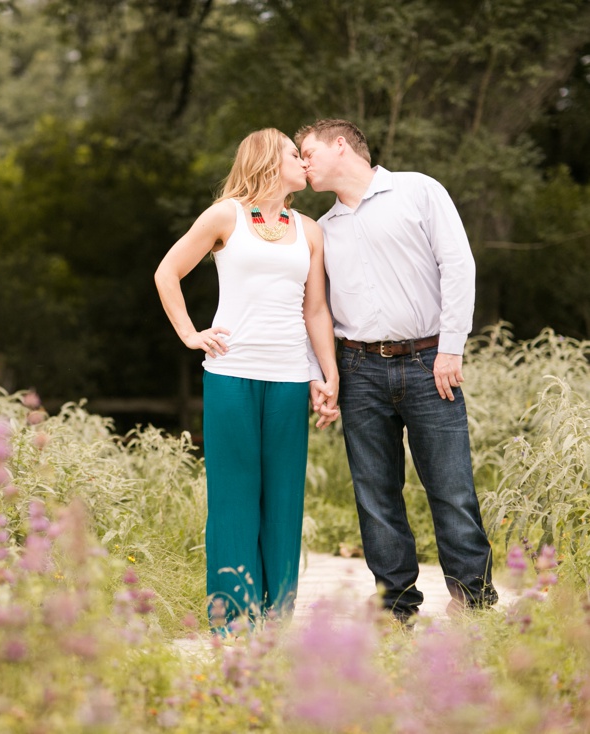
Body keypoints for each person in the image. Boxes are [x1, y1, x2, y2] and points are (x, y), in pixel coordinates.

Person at [295, 118, 498, 623]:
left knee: (451, 486)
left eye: (308, 152)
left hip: (432, 362)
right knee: (374, 492)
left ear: (341, 145)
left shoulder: (418, 190)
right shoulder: (322, 229)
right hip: (359, 367)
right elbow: (312, 308)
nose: (302, 163)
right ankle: (396, 603)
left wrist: (452, 347)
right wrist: (323, 373)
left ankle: (473, 599)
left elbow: (458, 266)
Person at [154, 128, 339, 633]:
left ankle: (277, 618)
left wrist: (328, 374)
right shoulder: (225, 216)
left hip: (288, 376)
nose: (304, 162)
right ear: (267, 159)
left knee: (283, 498)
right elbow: (166, 273)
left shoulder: (309, 228)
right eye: (294, 155)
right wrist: (191, 334)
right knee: (234, 494)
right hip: (231, 374)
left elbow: (316, 309)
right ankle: (232, 620)